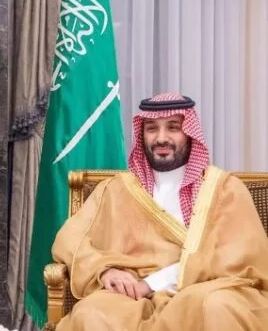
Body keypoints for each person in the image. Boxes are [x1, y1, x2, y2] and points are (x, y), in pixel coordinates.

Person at [52, 92, 268, 330]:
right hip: (130, 298)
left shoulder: (225, 190)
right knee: (91, 313)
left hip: (201, 290)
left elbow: (237, 262)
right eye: (152, 128)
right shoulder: (115, 190)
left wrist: (152, 284)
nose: (161, 138)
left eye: (173, 127)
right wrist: (104, 271)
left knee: (217, 305)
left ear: (189, 133)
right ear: (141, 134)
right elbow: (70, 239)